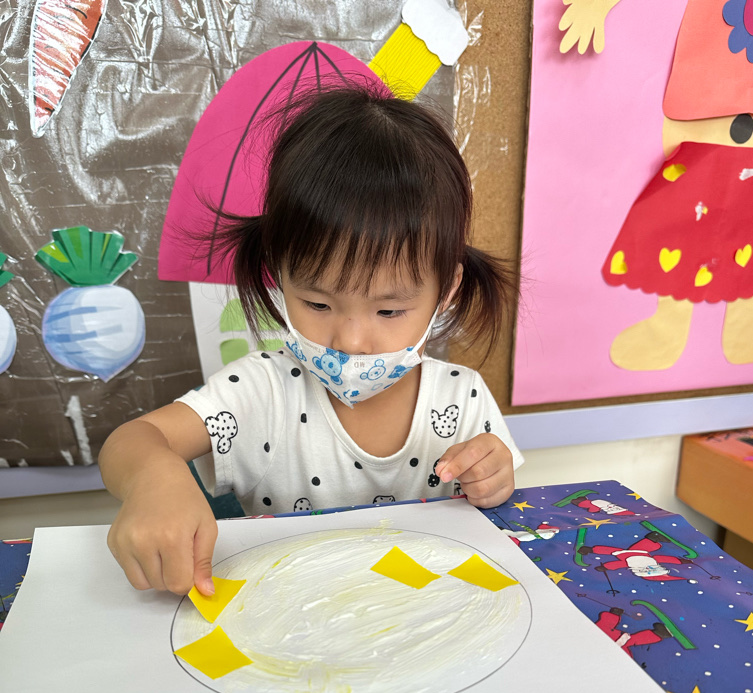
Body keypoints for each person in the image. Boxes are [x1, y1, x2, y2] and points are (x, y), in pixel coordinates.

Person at [99, 86, 524, 597]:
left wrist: (493, 480)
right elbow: (132, 440)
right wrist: (153, 477)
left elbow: (495, 500)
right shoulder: (260, 392)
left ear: (446, 290)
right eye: (318, 304)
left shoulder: (462, 397)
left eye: (389, 311)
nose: (352, 340)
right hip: (291, 615)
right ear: (278, 272)